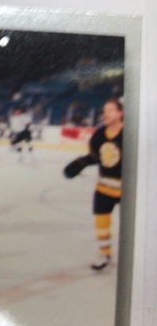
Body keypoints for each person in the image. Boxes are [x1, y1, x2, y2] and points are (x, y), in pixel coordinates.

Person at [63, 98, 123, 271]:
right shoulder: (99, 135)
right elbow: (95, 157)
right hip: (104, 187)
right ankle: (105, 255)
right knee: (101, 221)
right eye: (104, 111)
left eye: (110, 110)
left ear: (120, 113)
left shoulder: (132, 134)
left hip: (129, 190)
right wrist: (80, 163)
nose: (106, 114)